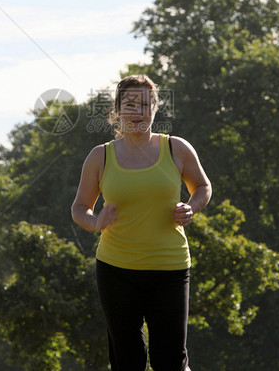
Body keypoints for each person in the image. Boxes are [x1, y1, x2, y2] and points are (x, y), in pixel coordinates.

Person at [71, 74, 212, 371]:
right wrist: (96, 222)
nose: (139, 111)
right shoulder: (100, 157)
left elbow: (203, 187)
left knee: (171, 361)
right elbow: (80, 208)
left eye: (146, 104)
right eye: (131, 104)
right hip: (116, 270)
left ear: (156, 109)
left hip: (170, 268)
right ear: (117, 111)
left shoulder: (176, 149)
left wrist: (191, 207)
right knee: (127, 360)